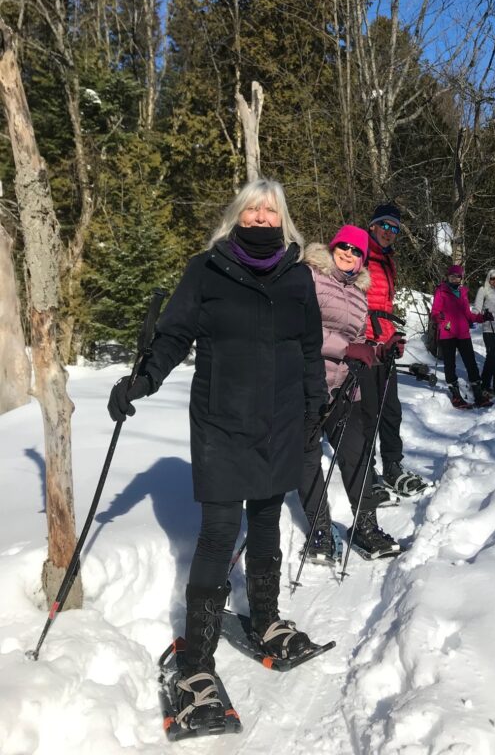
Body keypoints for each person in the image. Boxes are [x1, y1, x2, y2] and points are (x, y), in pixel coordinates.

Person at [107, 179, 326, 733]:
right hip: (221, 424)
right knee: (219, 529)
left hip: (279, 422)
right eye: (250, 209)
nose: (258, 216)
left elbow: (308, 348)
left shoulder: (298, 275)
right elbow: (175, 333)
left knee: (268, 519)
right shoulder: (207, 269)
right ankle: (196, 667)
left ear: (282, 217)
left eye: (268, 209)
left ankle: (267, 619)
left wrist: (314, 407)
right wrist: (143, 378)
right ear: (236, 215)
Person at [300, 226, 400, 560]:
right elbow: (302, 329)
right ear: (332, 247)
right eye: (343, 246)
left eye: (357, 251)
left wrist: (379, 350)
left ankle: (366, 526)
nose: (349, 253)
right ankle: (320, 532)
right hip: (306, 383)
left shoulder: (359, 293)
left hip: (345, 387)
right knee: (308, 459)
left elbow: (358, 341)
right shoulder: (310, 277)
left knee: (356, 454)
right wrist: (347, 349)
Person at [359, 202, 429, 499]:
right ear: (372, 225)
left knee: (391, 412)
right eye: (385, 225)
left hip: (384, 346)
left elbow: (384, 307)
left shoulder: (388, 260)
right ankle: (366, 472)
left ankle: (392, 465)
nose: (389, 232)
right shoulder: (358, 254)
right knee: (366, 414)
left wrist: (392, 338)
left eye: (395, 228)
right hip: (363, 347)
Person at [431, 264, 493, 407]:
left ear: (461, 278)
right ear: (448, 277)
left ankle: (478, 394)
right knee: (450, 364)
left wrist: (483, 317)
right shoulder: (441, 291)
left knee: (471, 363)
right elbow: (434, 312)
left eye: (457, 277)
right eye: (452, 276)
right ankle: (455, 394)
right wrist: (437, 317)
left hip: (463, 333)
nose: (455, 279)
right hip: (447, 333)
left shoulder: (463, 292)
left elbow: (468, 315)